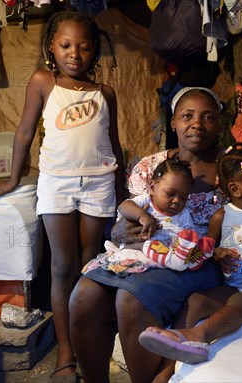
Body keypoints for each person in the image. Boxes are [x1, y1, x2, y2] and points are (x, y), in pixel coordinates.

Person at [0, 10, 124, 382]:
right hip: (56, 182)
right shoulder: (44, 81)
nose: (74, 53)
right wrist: (13, 180)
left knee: (90, 264)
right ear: (52, 46)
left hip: (99, 183)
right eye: (65, 45)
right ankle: (66, 353)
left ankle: (87, 341)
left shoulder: (105, 93)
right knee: (62, 267)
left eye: (82, 46)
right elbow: (25, 131)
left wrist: (123, 192)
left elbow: (115, 146)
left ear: (94, 50)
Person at [69, 87, 226, 383]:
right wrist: (123, 230)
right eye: (187, 116)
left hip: (193, 261)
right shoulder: (149, 167)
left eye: (208, 117)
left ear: (219, 122)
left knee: (130, 301)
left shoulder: (229, 170)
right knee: (84, 295)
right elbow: (123, 222)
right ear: (173, 122)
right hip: (142, 254)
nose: (197, 124)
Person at [137, 143, 242, 365]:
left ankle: (197, 336)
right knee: (196, 301)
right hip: (235, 284)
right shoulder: (221, 217)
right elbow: (208, 250)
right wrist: (219, 254)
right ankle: (171, 363)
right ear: (235, 189)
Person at [81, 156, 215, 276]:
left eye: (184, 197)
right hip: (141, 248)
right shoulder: (146, 201)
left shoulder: (183, 213)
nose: (177, 201)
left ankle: (191, 259)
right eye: (170, 194)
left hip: (168, 255)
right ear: (152, 186)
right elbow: (124, 206)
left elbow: (189, 235)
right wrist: (142, 216)